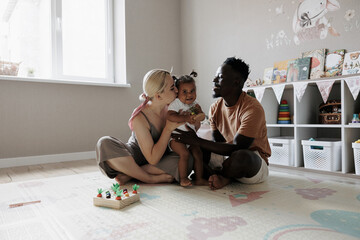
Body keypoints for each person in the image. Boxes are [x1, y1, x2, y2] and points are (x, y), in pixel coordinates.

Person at [171, 57, 271, 190]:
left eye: (220, 77)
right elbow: (218, 143)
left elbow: (238, 147)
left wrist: (197, 140)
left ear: (236, 82)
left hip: (251, 165)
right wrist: (195, 143)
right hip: (228, 159)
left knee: (242, 156)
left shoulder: (252, 108)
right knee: (197, 150)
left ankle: (224, 177)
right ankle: (219, 175)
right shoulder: (215, 108)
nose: (214, 81)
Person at [96, 69, 193, 185]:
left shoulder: (172, 108)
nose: (177, 90)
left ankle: (129, 175)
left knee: (188, 158)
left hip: (161, 159)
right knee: (104, 143)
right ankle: (148, 177)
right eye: (172, 88)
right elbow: (152, 159)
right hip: (134, 158)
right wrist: (168, 128)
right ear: (158, 96)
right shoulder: (140, 117)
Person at [167, 71, 208, 187]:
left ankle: (199, 178)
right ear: (177, 92)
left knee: (198, 153)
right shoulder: (176, 103)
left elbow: (202, 115)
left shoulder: (195, 104)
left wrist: (200, 114)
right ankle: (183, 178)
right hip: (176, 138)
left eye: (192, 91)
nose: (189, 95)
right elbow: (170, 116)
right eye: (184, 92)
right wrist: (185, 118)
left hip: (190, 138)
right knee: (184, 154)